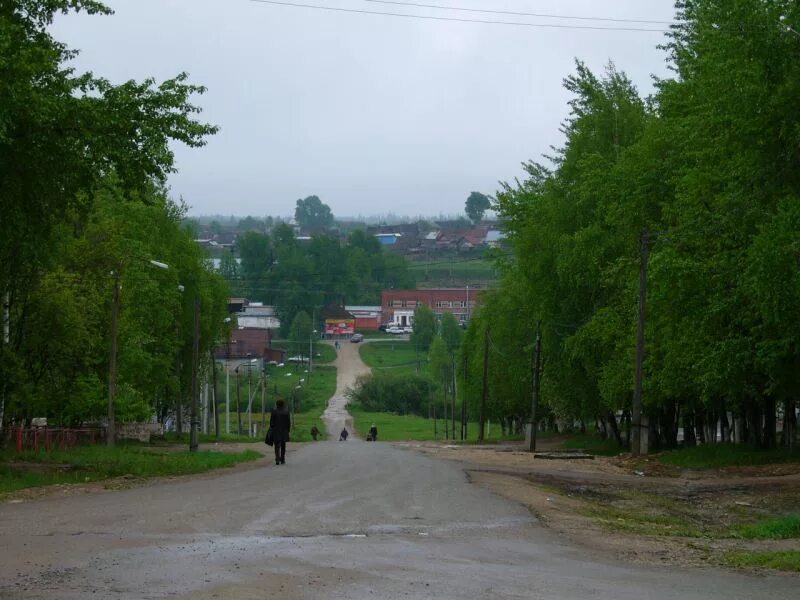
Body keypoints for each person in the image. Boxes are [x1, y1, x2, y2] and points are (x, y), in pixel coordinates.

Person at [269, 399, 291, 465]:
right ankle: (283, 459)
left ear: (276, 404)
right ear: (283, 405)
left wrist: (272, 428)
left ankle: (277, 459)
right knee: (283, 445)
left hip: (276, 431)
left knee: (276, 446)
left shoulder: (274, 412)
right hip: (284, 431)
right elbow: (288, 423)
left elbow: (271, 423)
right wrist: (288, 430)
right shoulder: (286, 412)